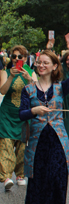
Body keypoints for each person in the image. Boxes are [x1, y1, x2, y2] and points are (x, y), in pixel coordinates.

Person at [19, 33, 69, 204]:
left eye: (46, 62)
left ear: (55, 66)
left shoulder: (60, 87)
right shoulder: (28, 90)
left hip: (58, 142)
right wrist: (33, 111)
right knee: (39, 179)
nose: (41, 65)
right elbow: (21, 114)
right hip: (37, 143)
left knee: (56, 177)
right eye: (39, 62)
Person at [0, 46, 37, 191]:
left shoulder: (31, 73)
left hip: (24, 115)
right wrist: (11, 76)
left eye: (19, 57)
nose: (16, 59)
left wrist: (29, 80)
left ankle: (20, 175)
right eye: (14, 56)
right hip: (7, 115)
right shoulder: (5, 72)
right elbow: (2, 91)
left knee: (22, 147)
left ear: (25, 58)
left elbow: (36, 92)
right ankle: (6, 177)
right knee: (6, 146)